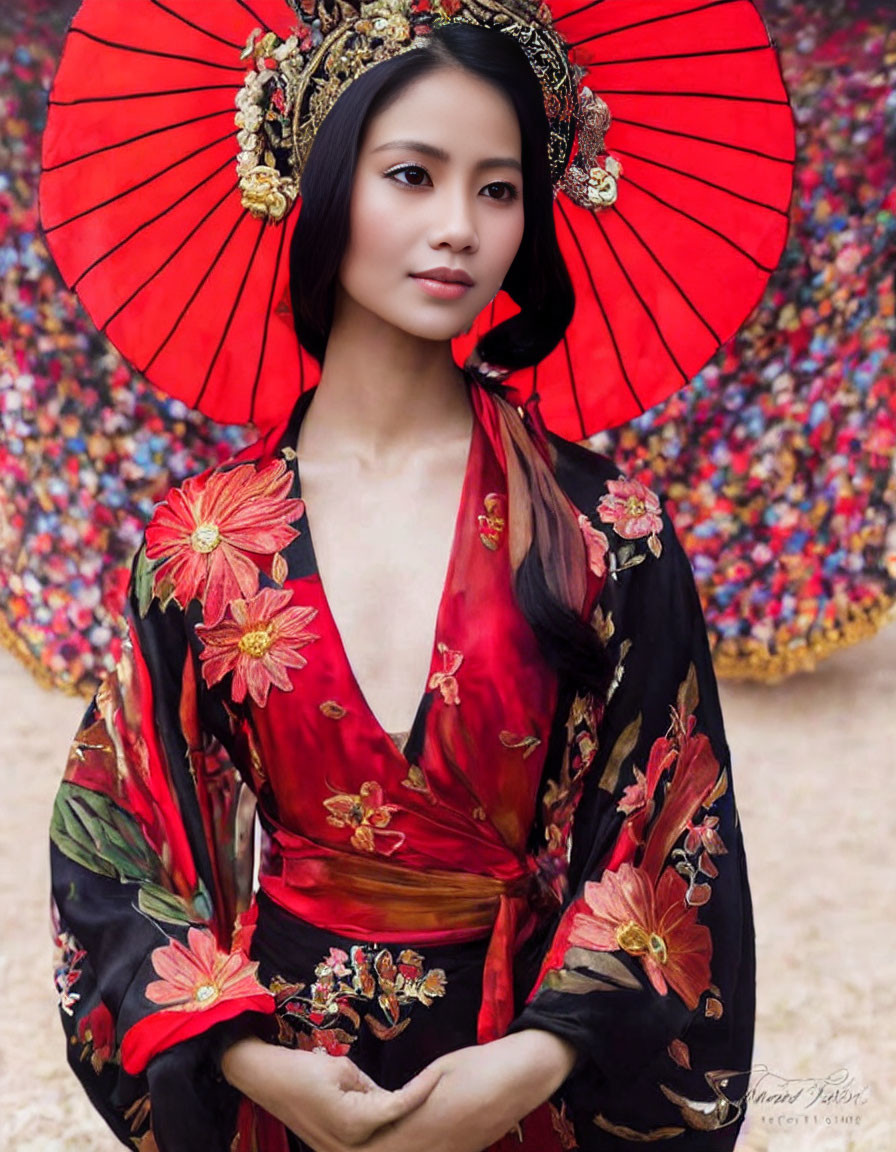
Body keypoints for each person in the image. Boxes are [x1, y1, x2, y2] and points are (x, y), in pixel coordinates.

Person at [48, 16, 756, 1152]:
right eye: (413, 176)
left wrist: (535, 1057)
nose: (457, 229)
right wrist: (241, 1056)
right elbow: (118, 842)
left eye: (498, 189)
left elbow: (671, 837)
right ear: (322, 187)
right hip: (279, 1081)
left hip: (530, 1080)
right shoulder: (198, 540)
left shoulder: (604, 529)